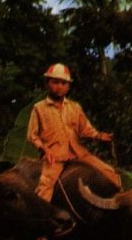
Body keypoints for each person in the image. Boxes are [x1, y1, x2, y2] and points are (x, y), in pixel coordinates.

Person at [26, 63, 122, 203]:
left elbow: (85, 129)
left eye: (63, 83)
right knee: (44, 188)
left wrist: (100, 136)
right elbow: (32, 135)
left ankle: (120, 205)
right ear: (47, 83)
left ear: (68, 86)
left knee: (110, 172)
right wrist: (44, 149)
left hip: (78, 153)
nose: (59, 86)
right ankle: (39, 220)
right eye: (55, 82)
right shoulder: (39, 108)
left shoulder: (74, 107)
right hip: (54, 156)